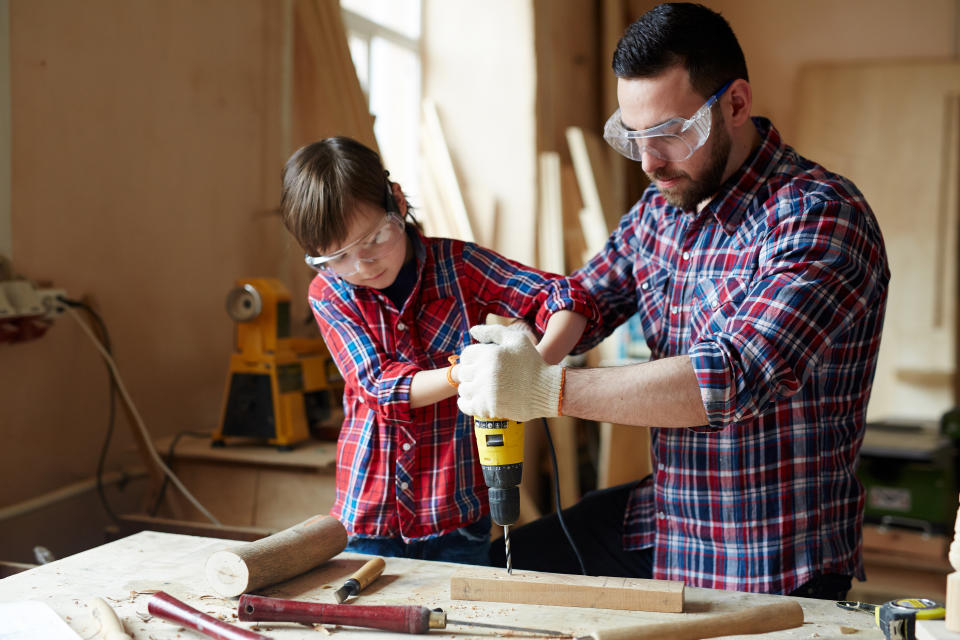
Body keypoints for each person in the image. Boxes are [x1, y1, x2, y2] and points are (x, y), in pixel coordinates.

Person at [455, 2, 889, 598]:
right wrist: (530, 349)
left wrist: (542, 390)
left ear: (735, 104)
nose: (650, 162)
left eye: (668, 134)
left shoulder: (819, 216)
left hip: (770, 558)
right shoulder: (664, 207)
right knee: (494, 574)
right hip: (669, 520)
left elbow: (729, 379)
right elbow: (589, 293)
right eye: (634, 138)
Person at [279, 136, 597, 564]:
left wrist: (531, 367)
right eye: (338, 257)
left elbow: (566, 296)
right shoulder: (330, 292)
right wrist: (467, 374)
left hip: (457, 510)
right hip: (372, 513)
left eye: (374, 239)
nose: (362, 266)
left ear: (396, 202)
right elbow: (378, 386)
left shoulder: (460, 267)